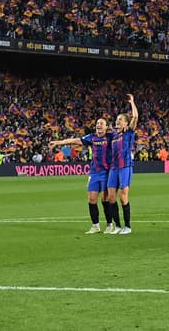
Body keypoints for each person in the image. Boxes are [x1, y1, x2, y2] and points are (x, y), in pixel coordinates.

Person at [49, 116, 112, 233]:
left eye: (101, 123)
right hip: (94, 172)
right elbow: (74, 140)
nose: (98, 125)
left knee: (105, 199)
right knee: (92, 199)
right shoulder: (91, 137)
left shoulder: (111, 137)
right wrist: (58, 142)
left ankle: (109, 225)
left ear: (107, 127)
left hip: (107, 172)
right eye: (97, 123)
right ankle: (95, 226)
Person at [105, 95, 138, 234]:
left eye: (120, 120)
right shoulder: (113, 135)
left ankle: (127, 226)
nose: (117, 121)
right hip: (114, 168)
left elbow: (135, 117)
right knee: (111, 197)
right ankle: (118, 226)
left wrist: (132, 102)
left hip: (125, 167)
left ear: (126, 123)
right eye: (117, 119)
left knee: (123, 197)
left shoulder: (128, 132)